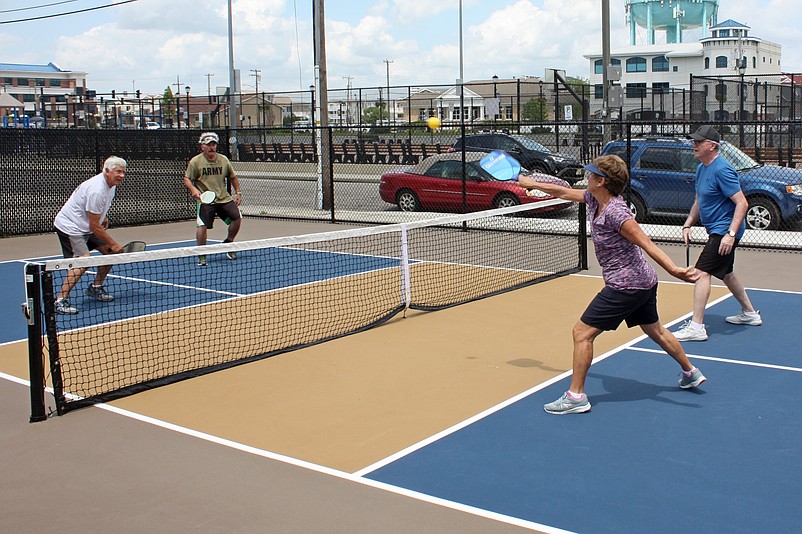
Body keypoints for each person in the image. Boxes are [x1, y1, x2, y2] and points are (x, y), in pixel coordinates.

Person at [516, 155, 705, 415]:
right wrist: (532, 182)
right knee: (656, 331)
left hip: (626, 285)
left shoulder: (617, 213)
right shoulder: (595, 199)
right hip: (643, 282)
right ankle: (690, 373)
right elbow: (561, 191)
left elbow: (646, 243)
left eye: (592, 174)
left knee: (582, 333)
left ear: (602, 181)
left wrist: (674, 270)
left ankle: (576, 397)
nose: (588, 176)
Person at [674, 125, 762, 342]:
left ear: (712, 146)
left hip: (724, 231)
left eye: (698, 142)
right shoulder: (701, 168)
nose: (693, 145)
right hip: (716, 229)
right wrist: (688, 224)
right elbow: (699, 201)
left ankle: (697, 327)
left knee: (702, 273)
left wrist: (730, 234)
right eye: (693, 141)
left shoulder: (723, 169)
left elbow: (742, 203)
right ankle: (750, 314)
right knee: (726, 273)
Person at [53, 156, 127, 314]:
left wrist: (103, 217)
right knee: (83, 261)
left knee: (110, 254)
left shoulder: (111, 185)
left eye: (123, 172)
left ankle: (96, 287)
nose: (121, 175)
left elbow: (96, 214)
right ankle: (60, 300)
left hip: (87, 225)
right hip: (71, 227)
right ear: (107, 171)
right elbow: (94, 226)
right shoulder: (96, 190)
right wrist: (113, 243)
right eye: (118, 172)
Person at [182, 132, 242, 266]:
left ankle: (228, 243)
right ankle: (202, 255)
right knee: (202, 225)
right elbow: (187, 179)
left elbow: (233, 177)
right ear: (202, 147)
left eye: (213, 144)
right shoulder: (195, 162)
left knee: (237, 217)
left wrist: (238, 193)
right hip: (205, 200)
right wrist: (194, 190)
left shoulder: (223, 160)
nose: (211, 147)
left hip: (223, 198)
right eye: (208, 145)